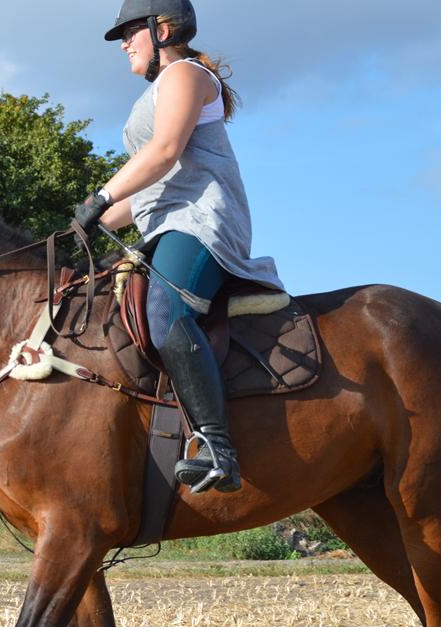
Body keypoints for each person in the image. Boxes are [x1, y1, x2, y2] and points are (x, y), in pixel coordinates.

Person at [73, 0, 285, 494]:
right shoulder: (157, 91)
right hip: (165, 223)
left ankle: (217, 448)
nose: (124, 42)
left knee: (164, 311)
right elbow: (150, 186)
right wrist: (88, 222)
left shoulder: (185, 75)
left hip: (201, 223)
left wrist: (100, 196)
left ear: (162, 29)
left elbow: (165, 151)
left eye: (130, 32)